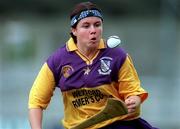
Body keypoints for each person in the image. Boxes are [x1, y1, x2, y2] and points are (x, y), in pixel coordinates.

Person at [28, 1, 159, 129]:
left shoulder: (117, 55)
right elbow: (36, 101)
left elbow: (133, 92)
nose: (93, 30)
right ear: (74, 30)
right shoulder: (57, 60)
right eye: (86, 26)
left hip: (118, 124)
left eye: (97, 24)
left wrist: (134, 101)